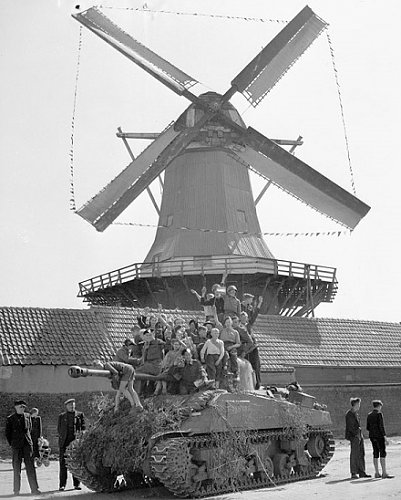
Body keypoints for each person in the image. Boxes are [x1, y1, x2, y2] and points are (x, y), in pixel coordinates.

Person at [5, 400, 41, 496]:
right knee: (17, 469)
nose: (22, 408)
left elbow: (30, 429)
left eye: (24, 407)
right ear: (16, 407)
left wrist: (30, 443)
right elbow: (7, 434)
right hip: (16, 446)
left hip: (27, 446)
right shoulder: (10, 418)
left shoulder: (28, 416)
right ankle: (16, 490)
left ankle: (34, 489)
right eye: (20, 407)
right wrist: (13, 444)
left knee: (30, 467)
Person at [57, 398, 85, 491]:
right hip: (64, 442)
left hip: (75, 442)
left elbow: (83, 427)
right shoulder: (62, 416)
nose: (71, 407)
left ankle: (76, 484)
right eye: (70, 405)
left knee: (76, 462)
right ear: (66, 406)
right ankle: (62, 485)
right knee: (63, 464)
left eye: (73, 405)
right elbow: (59, 429)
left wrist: (80, 438)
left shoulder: (80, 415)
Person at [366, 400, 394, 478]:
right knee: (382, 453)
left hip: (372, 436)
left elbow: (367, 427)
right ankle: (384, 472)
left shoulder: (369, 415)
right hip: (379, 436)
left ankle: (377, 472)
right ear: (379, 406)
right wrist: (385, 438)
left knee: (375, 453)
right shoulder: (379, 414)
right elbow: (381, 427)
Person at [345, 397, 371, 479]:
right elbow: (350, 426)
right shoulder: (349, 414)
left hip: (359, 435)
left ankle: (361, 472)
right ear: (354, 404)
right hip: (354, 436)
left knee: (361, 453)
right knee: (354, 454)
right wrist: (356, 435)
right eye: (358, 404)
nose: (359, 406)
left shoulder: (356, 413)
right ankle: (353, 473)